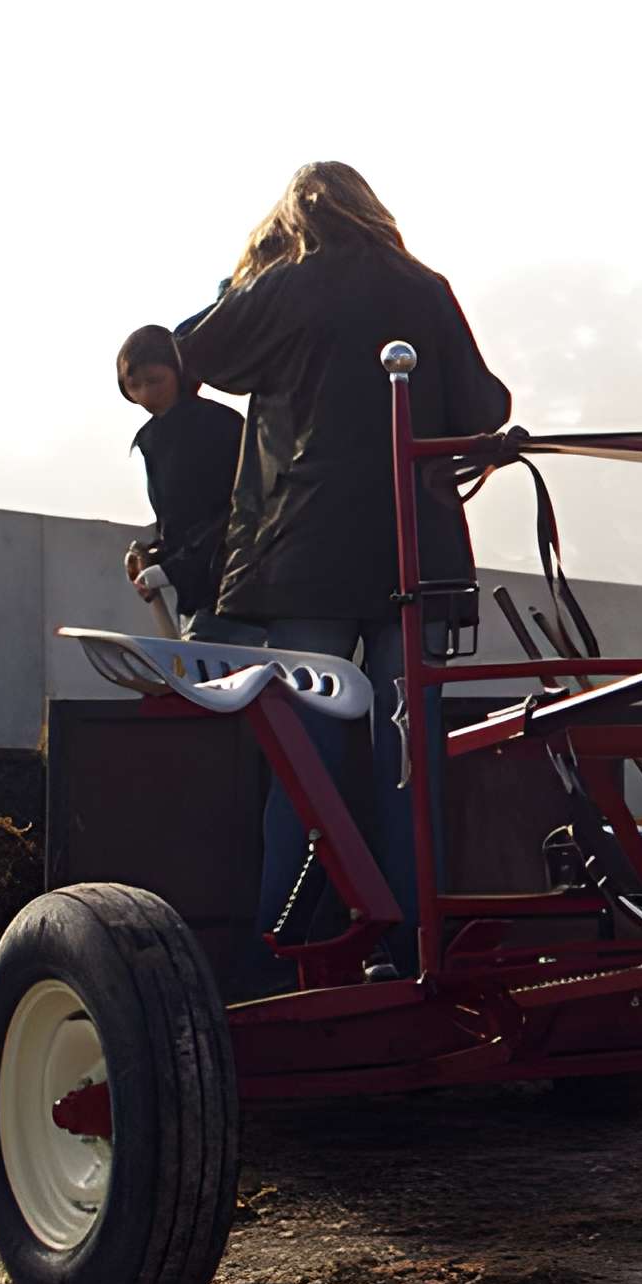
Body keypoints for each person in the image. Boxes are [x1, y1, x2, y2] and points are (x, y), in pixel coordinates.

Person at [178, 162, 513, 976]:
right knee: (410, 764)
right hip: (416, 554)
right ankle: (414, 951)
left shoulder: (288, 286)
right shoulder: (425, 286)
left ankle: (287, 958)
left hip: (307, 563)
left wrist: (250, 265)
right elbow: (485, 408)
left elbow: (194, 348)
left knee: (310, 768)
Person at [114, 325, 249, 640]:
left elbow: (240, 513)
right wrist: (157, 557)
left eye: (155, 381)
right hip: (193, 594)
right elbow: (177, 523)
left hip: (235, 591)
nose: (146, 394)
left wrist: (175, 569)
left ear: (181, 373)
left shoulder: (220, 427)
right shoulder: (152, 439)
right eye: (135, 385)